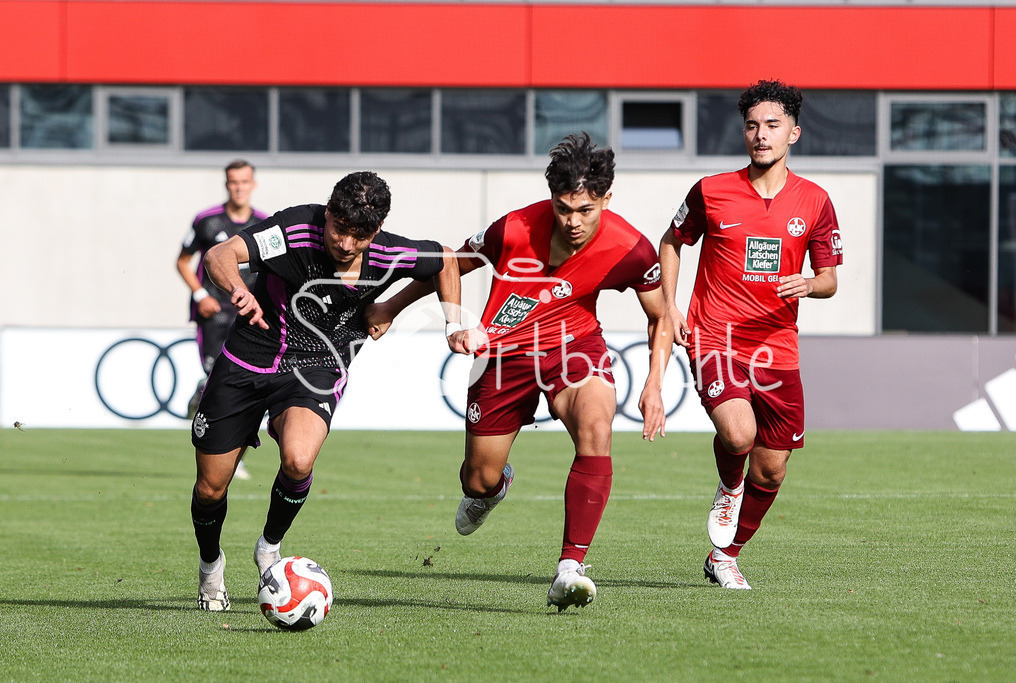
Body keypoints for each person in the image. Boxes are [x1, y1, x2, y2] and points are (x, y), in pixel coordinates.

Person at [367, 133, 672, 611]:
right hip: (503, 357)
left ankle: (570, 567)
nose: (573, 222)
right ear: (551, 198)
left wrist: (654, 384)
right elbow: (450, 264)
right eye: (563, 209)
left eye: (586, 210)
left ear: (606, 199)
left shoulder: (631, 249)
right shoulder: (512, 228)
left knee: (596, 428)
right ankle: (496, 486)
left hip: (574, 346)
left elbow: (660, 316)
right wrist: (391, 306)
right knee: (477, 480)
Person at [191, 171, 471, 611]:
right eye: (339, 229)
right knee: (210, 489)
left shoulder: (388, 251)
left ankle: (269, 548)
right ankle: (211, 565)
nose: (345, 243)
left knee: (298, 460)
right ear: (328, 214)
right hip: (247, 361)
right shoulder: (293, 231)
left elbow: (446, 260)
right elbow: (220, 254)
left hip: (318, 365)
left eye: (359, 236)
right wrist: (238, 288)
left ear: (377, 230)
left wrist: (427, 317)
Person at [658, 80, 843, 589]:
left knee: (772, 470)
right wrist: (670, 306)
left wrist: (810, 283)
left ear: (793, 133)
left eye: (772, 125)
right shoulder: (710, 190)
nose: (761, 135)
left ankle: (724, 556)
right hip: (715, 335)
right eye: (752, 125)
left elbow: (829, 279)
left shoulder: (815, 201)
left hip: (778, 345)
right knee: (739, 434)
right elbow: (672, 241)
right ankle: (728, 485)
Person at [177, 160, 267, 480]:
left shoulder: (264, 225)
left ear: (253, 184)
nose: (239, 187)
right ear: (226, 184)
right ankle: (205, 401)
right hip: (214, 314)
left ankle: (235, 454)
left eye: (244, 181)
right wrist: (201, 295)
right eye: (233, 182)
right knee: (219, 380)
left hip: (248, 314)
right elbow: (183, 262)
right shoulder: (207, 221)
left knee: (248, 385)